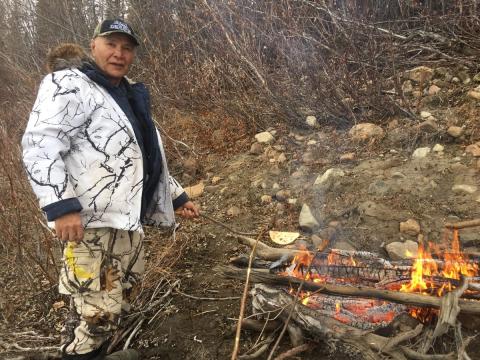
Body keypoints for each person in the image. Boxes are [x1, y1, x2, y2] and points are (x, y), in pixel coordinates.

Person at [22, 19, 199, 360]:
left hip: (126, 223)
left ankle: (99, 350)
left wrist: (174, 195)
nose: (119, 54)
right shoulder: (69, 85)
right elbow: (40, 146)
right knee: (96, 312)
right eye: (111, 44)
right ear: (93, 45)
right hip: (90, 226)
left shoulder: (125, 91)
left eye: (127, 47)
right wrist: (61, 206)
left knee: (118, 298)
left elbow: (142, 154)